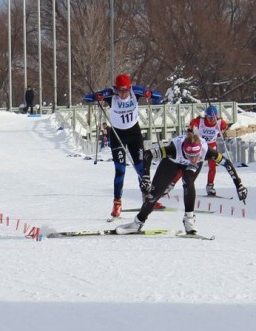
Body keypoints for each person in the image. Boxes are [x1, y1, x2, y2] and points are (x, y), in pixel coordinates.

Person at [115, 132, 247, 235]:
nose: (193, 158)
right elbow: (148, 154)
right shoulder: (173, 148)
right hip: (172, 162)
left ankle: (189, 219)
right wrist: (146, 178)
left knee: (188, 181)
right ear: (184, 150)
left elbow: (227, 164)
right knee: (155, 193)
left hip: (190, 167)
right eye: (190, 155)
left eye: (196, 155)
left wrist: (239, 185)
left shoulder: (206, 151)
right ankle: (137, 223)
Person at [92, 74, 155, 217]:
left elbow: (157, 96)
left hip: (134, 134)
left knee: (141, 167)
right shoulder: (111, 94)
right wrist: (98, 96)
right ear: (116, 89)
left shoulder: (135, 92)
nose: (123, 94)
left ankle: (147, 198)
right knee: (120, 170)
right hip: (117, 135)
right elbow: (88, 97)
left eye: (125, 91)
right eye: (120, 91)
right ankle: (117, 204)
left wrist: (149, 94)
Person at [189, 105, 228, 196]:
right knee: (194, 166)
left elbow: (224, 127)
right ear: (206, 116)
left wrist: (222, 133)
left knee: (212, 166)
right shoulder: (200, 121)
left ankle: (210, 186)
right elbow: (191, 123)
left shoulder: (220, 123)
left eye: (214, 117)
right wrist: (191, 130)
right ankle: (187, 184)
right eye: (210, 117)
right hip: (200, 145)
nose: (212, 120)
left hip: (211, 146)